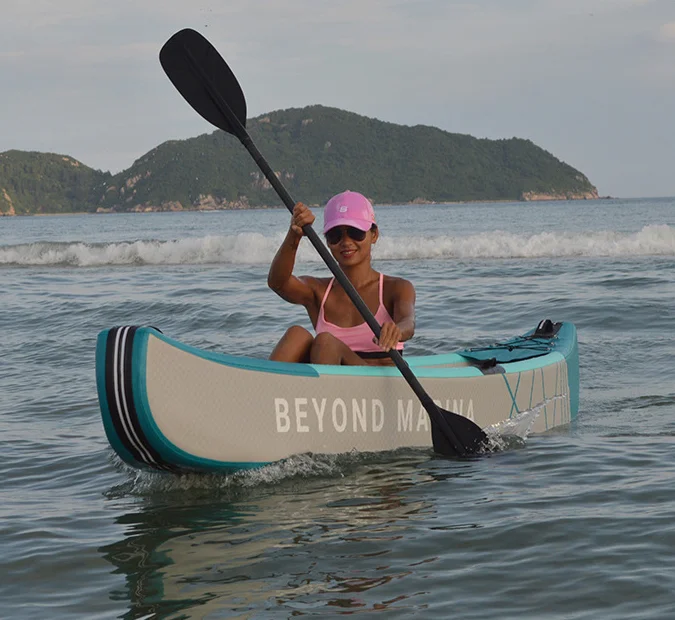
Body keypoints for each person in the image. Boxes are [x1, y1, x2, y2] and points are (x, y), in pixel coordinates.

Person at [267, 190, 416, 366]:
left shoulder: (397, 287)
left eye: (355, 232)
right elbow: (278, 283)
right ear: (327, 242)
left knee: (326, 343)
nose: (346, 242)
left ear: (374, 235)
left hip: (379, 379)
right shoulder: (318, 291)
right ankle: (265, 382)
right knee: (296, 334)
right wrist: (294, 235)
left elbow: (408, 322)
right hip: (330, 378)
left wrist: (397, 331)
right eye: (335, 235)